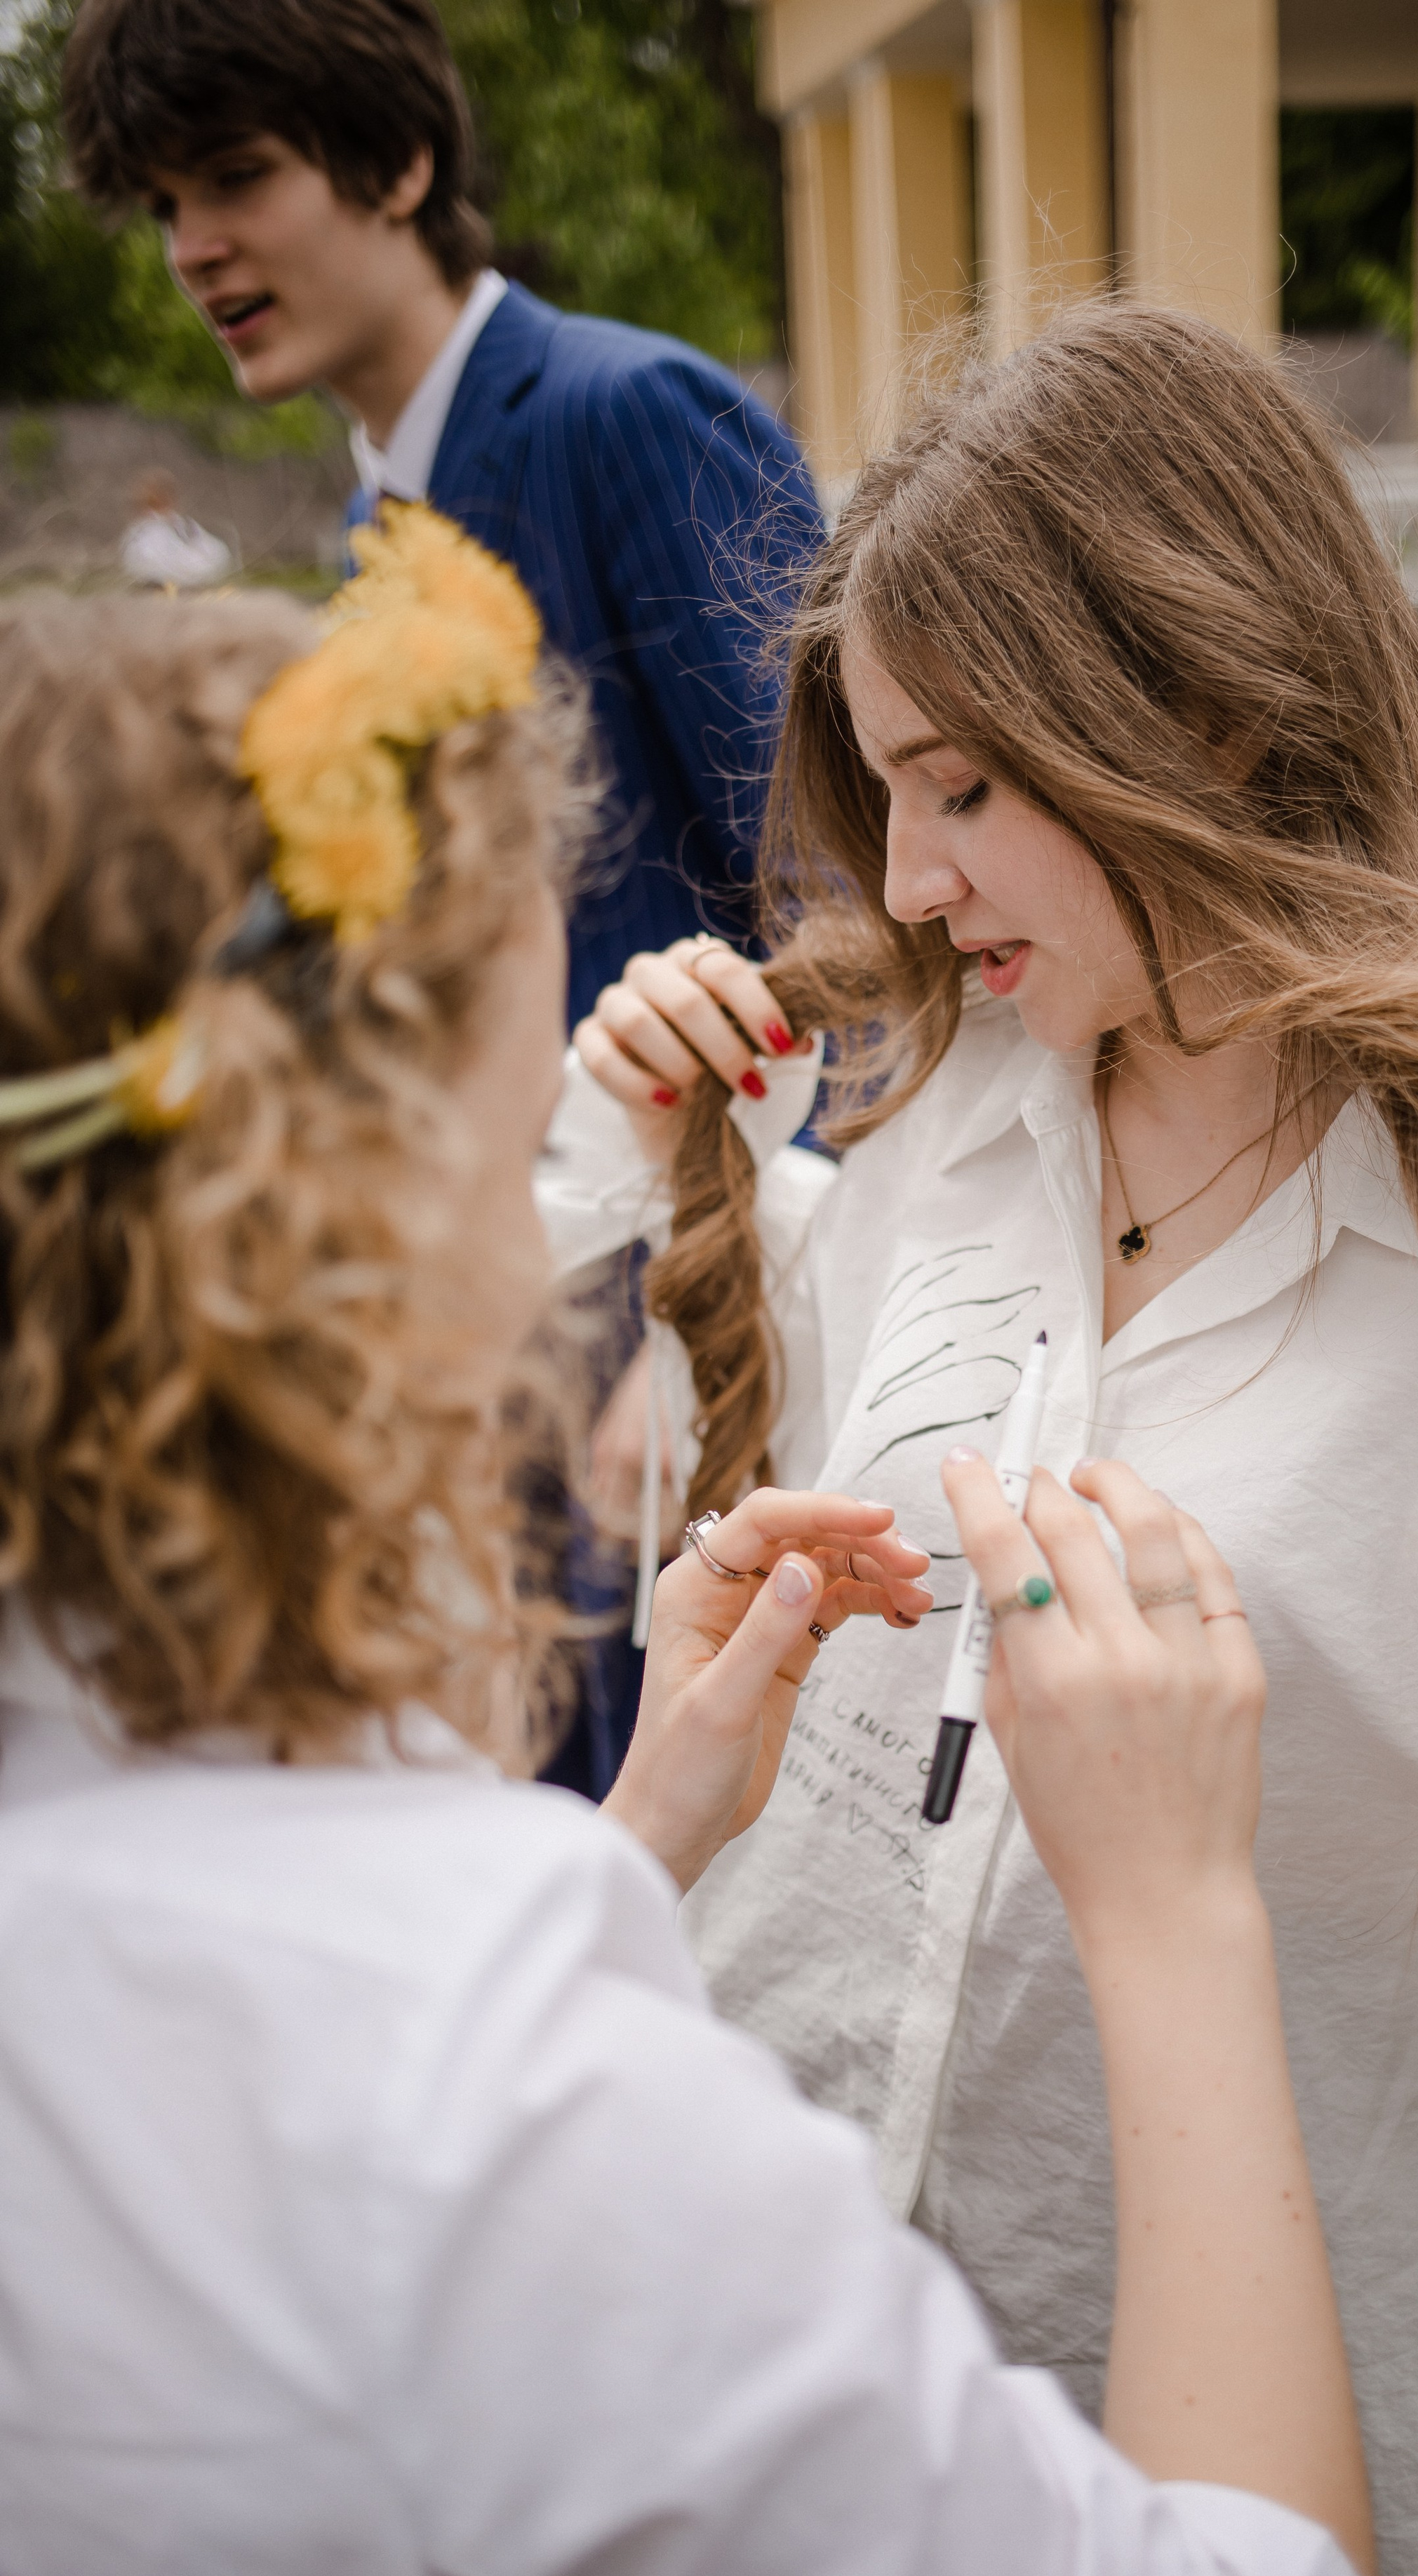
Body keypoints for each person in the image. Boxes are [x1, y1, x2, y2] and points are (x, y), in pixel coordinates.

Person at [0, 514, 1392, 2576]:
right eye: (508, 1146)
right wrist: (1175, 1914)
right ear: (326, 1232)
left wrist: (633, 1835)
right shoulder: (490, 2086)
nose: (535, 1239)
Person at [543, 300, 1418, 2576]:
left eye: (964, 787)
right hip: (835, 2454)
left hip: (1319, 2545)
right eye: (884, 794)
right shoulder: (935, 1117)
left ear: (1209, 703)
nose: (912, 881)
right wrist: (616, 1159)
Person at [60, 0, 827, 1796]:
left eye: (235, 177)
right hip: (501, 1317)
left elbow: (845, 893)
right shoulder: (368, 537)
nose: (193, 250)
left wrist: (707, 1333)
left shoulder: (629, 414)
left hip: (689, 1329)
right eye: (162, 205)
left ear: (399, 163)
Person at [119, 464, 233, 586]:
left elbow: (199, 542)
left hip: (180, 559)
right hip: (164, 562)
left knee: (213, 554)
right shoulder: (146, 528)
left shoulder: (179, 522)